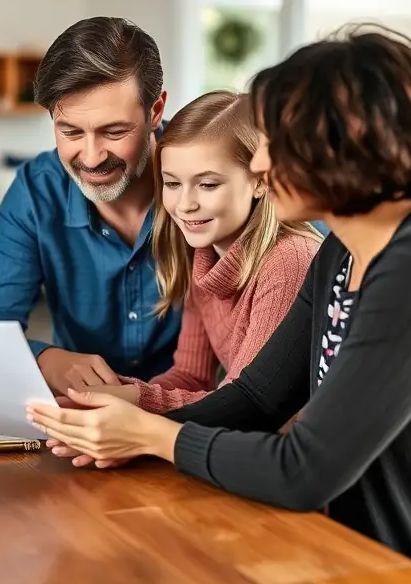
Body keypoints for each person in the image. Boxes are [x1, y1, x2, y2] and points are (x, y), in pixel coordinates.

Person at [27, 26, 411, 584]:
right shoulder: (343, 250)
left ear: (343, 146)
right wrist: (126, 428)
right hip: (371, 570)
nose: (260, 162)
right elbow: (256, 397)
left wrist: (150, 436)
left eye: (276, 143)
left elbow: (304, 470)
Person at [0, 16, 181, 395]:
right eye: (71, 132)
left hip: (199, 409)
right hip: (80, 411)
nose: (92, 158)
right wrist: (45, 360)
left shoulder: (211, 177)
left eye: (115, 131)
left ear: (155, 110)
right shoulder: (36, 191)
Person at [84, 90, 321, 416]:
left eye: (208, 185)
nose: (185, 205)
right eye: (172, 184)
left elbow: (245, 404)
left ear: (260, 181)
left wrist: (136, 401)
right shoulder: (205, 256)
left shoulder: (289, 261)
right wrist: (107, 395)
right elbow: (191, 377)